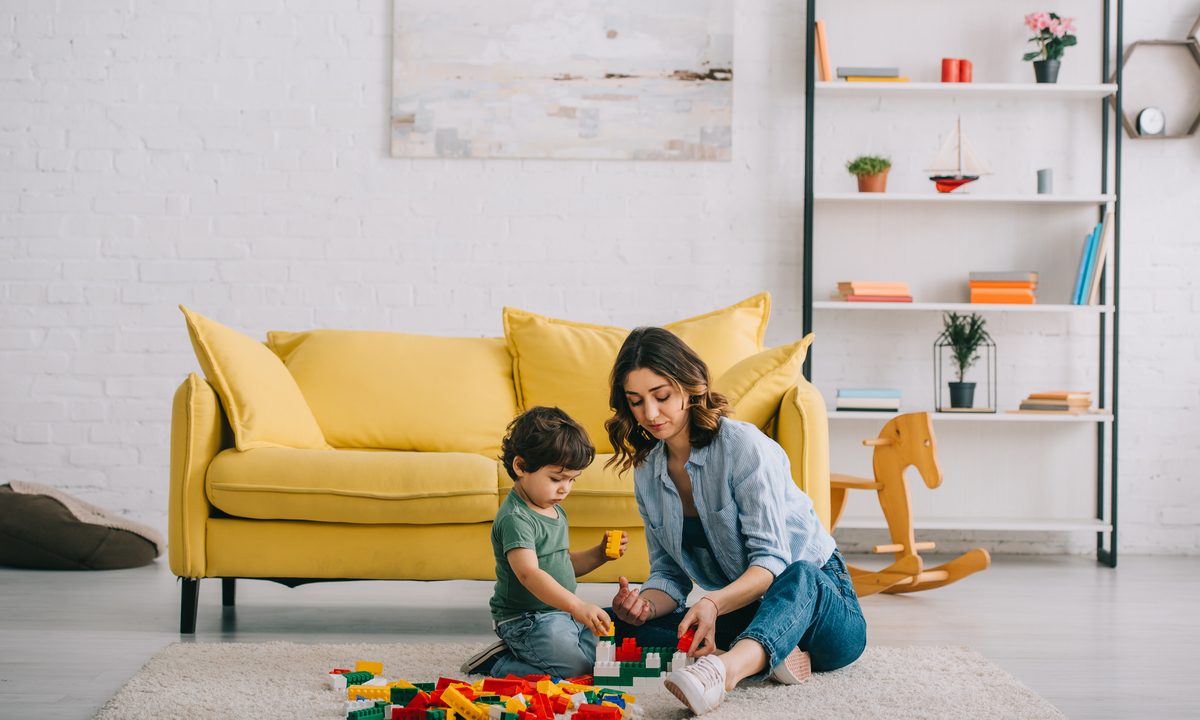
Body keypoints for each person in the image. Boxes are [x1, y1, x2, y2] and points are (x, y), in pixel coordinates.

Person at [605, 327, 866, 715]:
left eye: (662, 396)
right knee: (612, 624)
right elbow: (669, 578)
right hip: (748, 612)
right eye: (636, 402)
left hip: (822, 608)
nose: (651, 414)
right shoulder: (649, 471)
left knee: (800, 573)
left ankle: (723, 671)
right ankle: (768, 653)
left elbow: (772, 563)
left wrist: (711, 602)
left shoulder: (743, 447)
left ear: (690, 386)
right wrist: (641, 605)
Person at [460, 406, 629, 678]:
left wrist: (599, 554)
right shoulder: (516, 518)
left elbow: (561, 563)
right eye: (556, 479)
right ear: (521, 466)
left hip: (561, 612)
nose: (565, 489)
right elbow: (530, 573)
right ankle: (499, 663)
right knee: (576, 671)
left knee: (600, 660)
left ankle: (541, 652)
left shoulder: (553, 508)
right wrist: (577, 605)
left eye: (572, 480)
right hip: (526, 620)